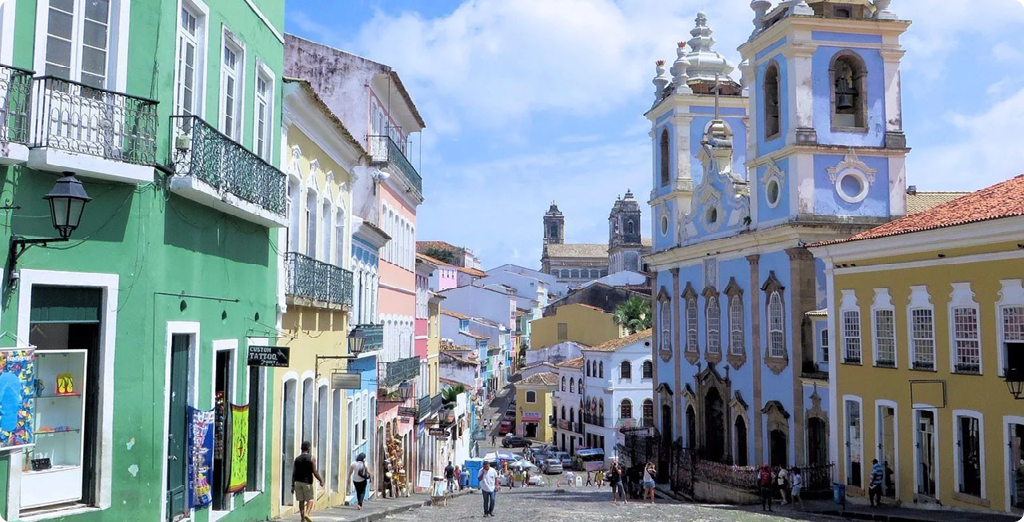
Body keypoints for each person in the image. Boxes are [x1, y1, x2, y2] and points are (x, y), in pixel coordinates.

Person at [292, 441, 324, 522]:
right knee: (310, 500)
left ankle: (302, 519)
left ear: (301, 448)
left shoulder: (297, 459)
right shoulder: (311, 458)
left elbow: (294, 473)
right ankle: (307, 513)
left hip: (298, 482)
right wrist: (320, 480)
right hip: (307, 483)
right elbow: (315, 472)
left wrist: (292, 485)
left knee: (301, 501)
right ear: (309, 448)